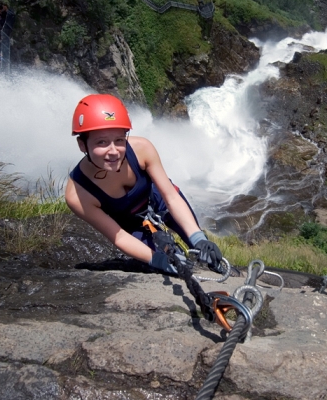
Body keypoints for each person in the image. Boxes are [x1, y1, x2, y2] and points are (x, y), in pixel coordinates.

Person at [64, 93, 223, 275]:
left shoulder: (141, 150)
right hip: (133, 226)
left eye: (119, 140)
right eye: (102, 142)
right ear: (82, 145)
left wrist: (199, 238)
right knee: (175, 264)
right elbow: (119, 236)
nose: (114, 151)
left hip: (161, 202)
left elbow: (170, 197)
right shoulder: (78, 194)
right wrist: (157, 259)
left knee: (208, 255)